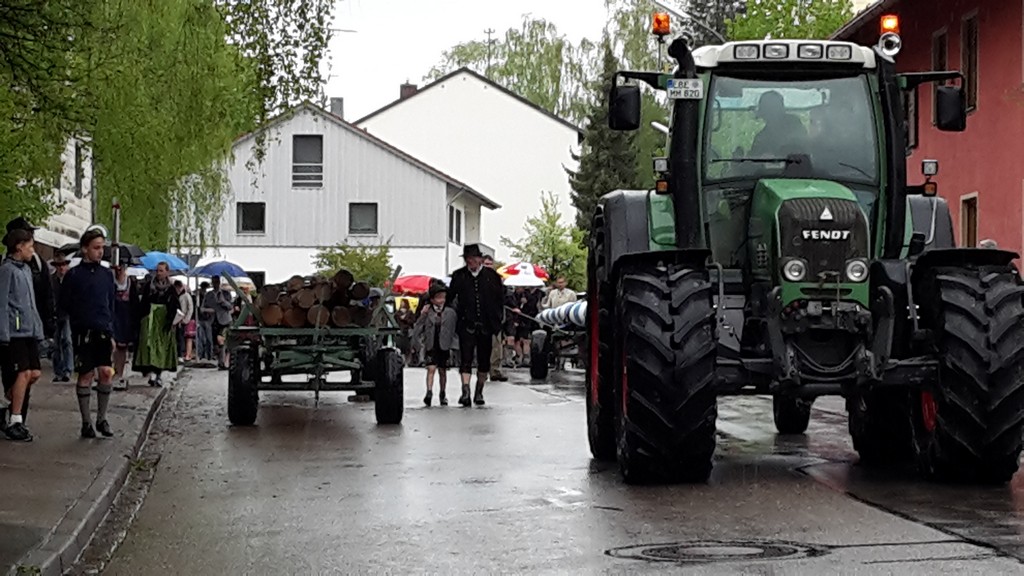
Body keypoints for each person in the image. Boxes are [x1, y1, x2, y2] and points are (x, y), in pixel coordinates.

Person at [60, 228, 118, 438]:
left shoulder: (106, 275)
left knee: (105, 372)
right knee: (86, 374)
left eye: (102, 248)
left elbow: (111, 305)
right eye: (96, 248)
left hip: (102, 330)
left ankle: (102, 418)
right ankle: (86, 422)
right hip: (82, 330)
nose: (100, 252)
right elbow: (64, 304)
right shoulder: (74, 275)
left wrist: (112, 333)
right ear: (85, 249)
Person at [0, 228, 44, 441]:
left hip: (29, 330)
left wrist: (38, 328)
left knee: (34, 373)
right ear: (19, 246)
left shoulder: (26, 270)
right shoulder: (7, 270)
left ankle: (6, 406)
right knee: (23, 373)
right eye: (30, 245)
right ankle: (15, 419)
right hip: (14, 331)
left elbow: (32, 303)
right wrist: (3, 333)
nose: (32, 250)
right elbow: (1, 302)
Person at [447, 244, 504, 407]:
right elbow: (450, 297)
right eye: (467, 259)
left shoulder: (492, 277)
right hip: (466, 324)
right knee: (465, 358)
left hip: (486, 325)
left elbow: (500, 300)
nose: (470, 262)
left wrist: (498, 322)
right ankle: (465, 391)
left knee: (484, 360)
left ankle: (479, 391)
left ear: (480, 259)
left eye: (472, 259)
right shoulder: (459, 276)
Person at [134, 263, 179, 387]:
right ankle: (151, 371)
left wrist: (170, 320)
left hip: (163, 320)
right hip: (150, 319)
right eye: (157, 271)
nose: (159, 273)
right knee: (149, 346)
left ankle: (158, 373)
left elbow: (175, 305)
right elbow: (143, 302)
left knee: (161, 347)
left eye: (161, 271)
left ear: (167, 272)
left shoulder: (171, 288)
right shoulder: (149, 285)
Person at [412, 283, 457, 407]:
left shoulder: (450, 312)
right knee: (431, 368)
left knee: (443, 370)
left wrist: (455, 345)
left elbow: (454, 330)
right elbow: (418, 327)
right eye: (438, 297)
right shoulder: (427, 312)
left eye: (443, 297)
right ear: (432, 299)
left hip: (444, 345)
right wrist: (422, 315)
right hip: (431, 344)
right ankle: (429, 392)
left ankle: (443, 393)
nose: (441, 300)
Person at [749, 90, 807, 158]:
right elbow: (754, 162)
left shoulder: (794, 125)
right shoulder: (760, 139)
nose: (770, 115)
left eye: (772, 110)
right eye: (767, 111)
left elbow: (804, 149)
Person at [111, 263, 139, 389]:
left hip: (125, 317)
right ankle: (109, 371)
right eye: (117, 269)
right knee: (110, 345)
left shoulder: (130, 283)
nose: (119, 271)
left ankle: (120, 373)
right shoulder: (109, 281)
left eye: (121, 269)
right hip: (113, 315)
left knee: (122, 346)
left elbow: (134, 303)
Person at [482, 255, 508, 382]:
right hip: (480, 319)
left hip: (495, 319)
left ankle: (495, 371)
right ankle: (483, 371)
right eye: (485, 264)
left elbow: (504, 299)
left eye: (489, 264)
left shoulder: (498, 280)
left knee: (497, 347)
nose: (488, 267)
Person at [49, 252, 74, 382]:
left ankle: (68, 370)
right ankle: (58, 371)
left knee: (67, 341)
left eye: (63, 265)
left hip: (68, 314)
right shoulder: (52, 280)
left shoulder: (71, 279)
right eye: (59, 265)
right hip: (55, 314)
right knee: (56, 344)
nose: (61, 268)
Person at [173, 280, 194, 361]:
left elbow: (190, 308)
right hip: (176, 319)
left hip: (183, 319)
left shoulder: (186, 296)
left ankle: (181, 354)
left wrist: (186, 320)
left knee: (181, 338)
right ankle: (177, 354)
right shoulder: (175, 295)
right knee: (177, 337)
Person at [196, 281, 214, 361]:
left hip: (207, 319)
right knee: (200, 338)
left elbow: (213, 308)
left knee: (208, 339)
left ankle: (209, 355)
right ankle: (201, 354)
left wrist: (205, 310)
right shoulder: (197, 296)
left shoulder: (208, 297)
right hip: (200, 319)